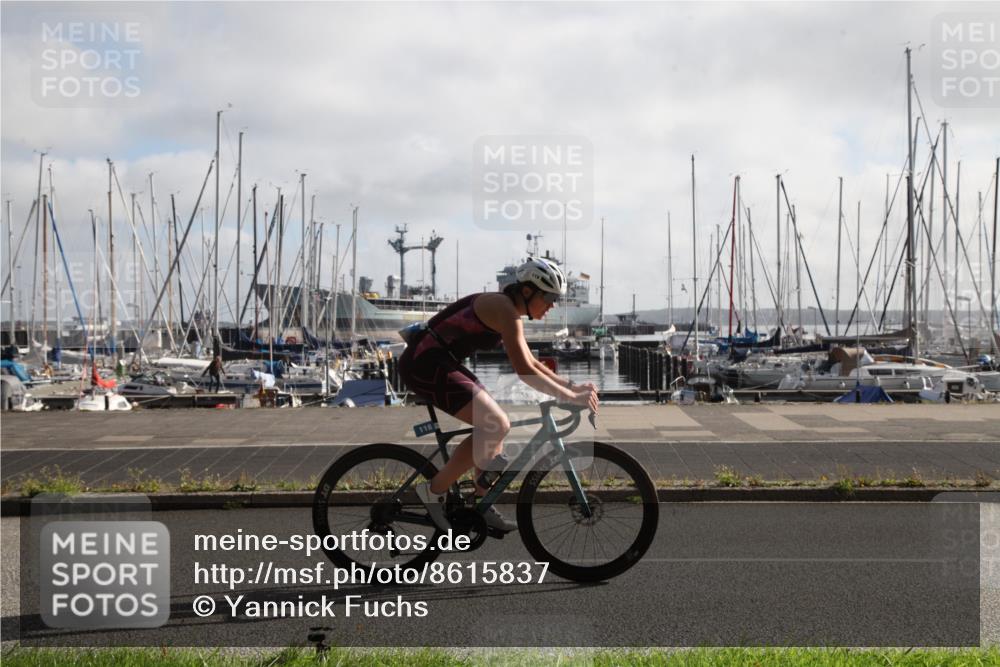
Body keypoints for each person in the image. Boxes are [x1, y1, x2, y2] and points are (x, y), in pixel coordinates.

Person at [398, 257, 599, 533]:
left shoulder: (507, 310)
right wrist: (568, 397)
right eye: (550, 297)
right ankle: (433, 491)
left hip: (441, 362)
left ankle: (481, 504)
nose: (552, 305)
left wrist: (572, 387)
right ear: (528, 292)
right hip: (425, 364)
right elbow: (524, 369)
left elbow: (534, 363)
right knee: (496, 423)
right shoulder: (505, 310)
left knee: (494, 431)